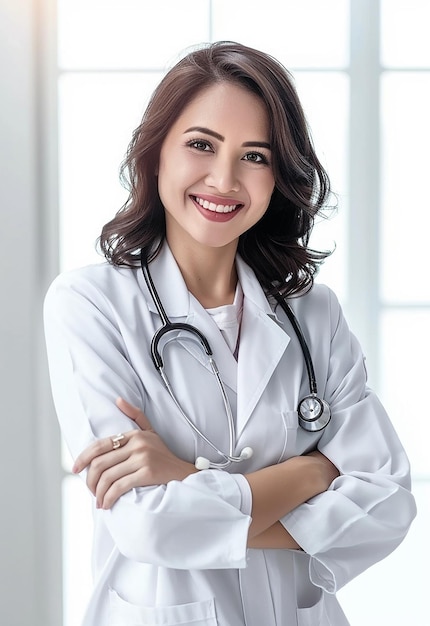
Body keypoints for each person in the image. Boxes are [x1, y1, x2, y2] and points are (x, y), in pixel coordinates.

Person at [44, 41, 416, 626]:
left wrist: (190, 484)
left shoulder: (313, 314)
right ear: (155, 153)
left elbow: (388, 504)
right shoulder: (90, 304)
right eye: (201, 145)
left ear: (278, 177)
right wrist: (314, 473)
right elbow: (147, 524)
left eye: (256, 156)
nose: (224, 179)